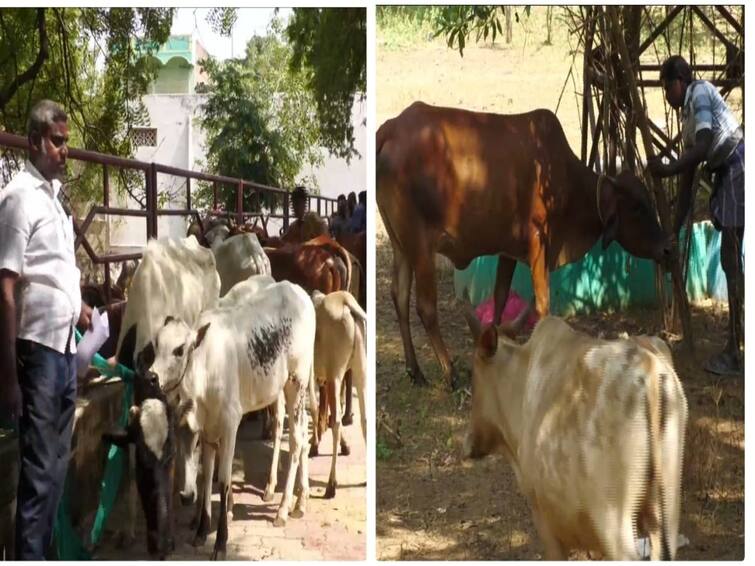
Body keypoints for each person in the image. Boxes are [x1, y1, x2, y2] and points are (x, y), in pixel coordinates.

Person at [0, 100, 93, 558]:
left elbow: (53, 274)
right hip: (36, 356)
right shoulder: (19, 197)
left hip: (62, 352)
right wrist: (10, 378)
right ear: (34, 141)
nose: (65, 151)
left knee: (57, 472)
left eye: (67, 142)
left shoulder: (55, 201)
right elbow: (7, 287)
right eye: (58, 142)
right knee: (38, 479)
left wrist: (80, 310)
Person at [648, 55, 744, 376]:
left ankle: (735, 349)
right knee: (731, 260)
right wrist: (672, 232)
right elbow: (688, 182)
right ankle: (736, 343)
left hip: (737, 168)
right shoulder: (689, 119)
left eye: (666, 87)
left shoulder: (700, 92)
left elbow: (702, 149)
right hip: (729, 173)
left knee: (731, 259)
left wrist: (664, 170)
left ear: (679, 82)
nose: (666, 94)